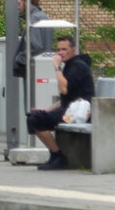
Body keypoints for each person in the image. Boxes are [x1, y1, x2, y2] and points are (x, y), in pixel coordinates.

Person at [26, 35, 94, 170]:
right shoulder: (70, 65)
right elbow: (65, 99)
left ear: (73, 49)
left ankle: (58, 156)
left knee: (35, 121)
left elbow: (64, 90)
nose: (61, 53)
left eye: (64, 49)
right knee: (34, 117)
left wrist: (57, 68)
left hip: (81, 113)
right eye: (58, 50)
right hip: (71, 110)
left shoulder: (77, 66)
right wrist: (45, 110)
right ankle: (55, 155)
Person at [13, 0, 53, 82]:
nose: (18, 7)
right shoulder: (44, 17)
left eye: (19, 3)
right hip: (45, 67)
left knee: (30, 96)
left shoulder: (33, 18)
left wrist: (19, 59)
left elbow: (35, 46)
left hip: (32, 69)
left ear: (26, 2)